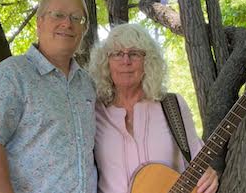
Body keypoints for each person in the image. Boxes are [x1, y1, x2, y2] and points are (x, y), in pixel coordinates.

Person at [0, 0, 97, 193]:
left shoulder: (87, 85)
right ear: (39, 22)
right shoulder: (12, 75)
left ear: (83, 29)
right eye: (58, 15)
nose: (67, 23)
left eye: (76, 18)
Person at [88, 23, 218, 193]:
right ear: (106, 62)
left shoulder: (172, 106)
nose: (126, 61)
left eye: (134, 54)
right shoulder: (93, 112)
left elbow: (199, 161)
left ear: (148, 62)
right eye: (117, 54)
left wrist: (209, 175)